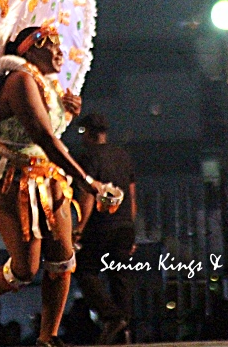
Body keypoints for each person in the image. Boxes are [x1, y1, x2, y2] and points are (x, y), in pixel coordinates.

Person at [0, 25, 118, 347]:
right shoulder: (20, 81)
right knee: (24, 268)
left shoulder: (47, 85)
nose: (61, 51)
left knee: (63, 258)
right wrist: (89, 183)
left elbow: (50, 133)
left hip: (50, 178)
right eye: (52, 45)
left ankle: (48, 337)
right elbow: (45, 138)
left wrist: (68, 112)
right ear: (29, 50)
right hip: (10, 178)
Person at [72, 112, 137, 344]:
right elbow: (131, 193)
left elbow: (89, 194)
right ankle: (124, 329)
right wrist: (131, 226)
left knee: (85, 271)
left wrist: (79, 227)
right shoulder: (122, 155)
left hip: (100, 225)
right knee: (120, 276)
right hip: (124, 225)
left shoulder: (87, 157)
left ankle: (111, 317)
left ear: (88, 132)